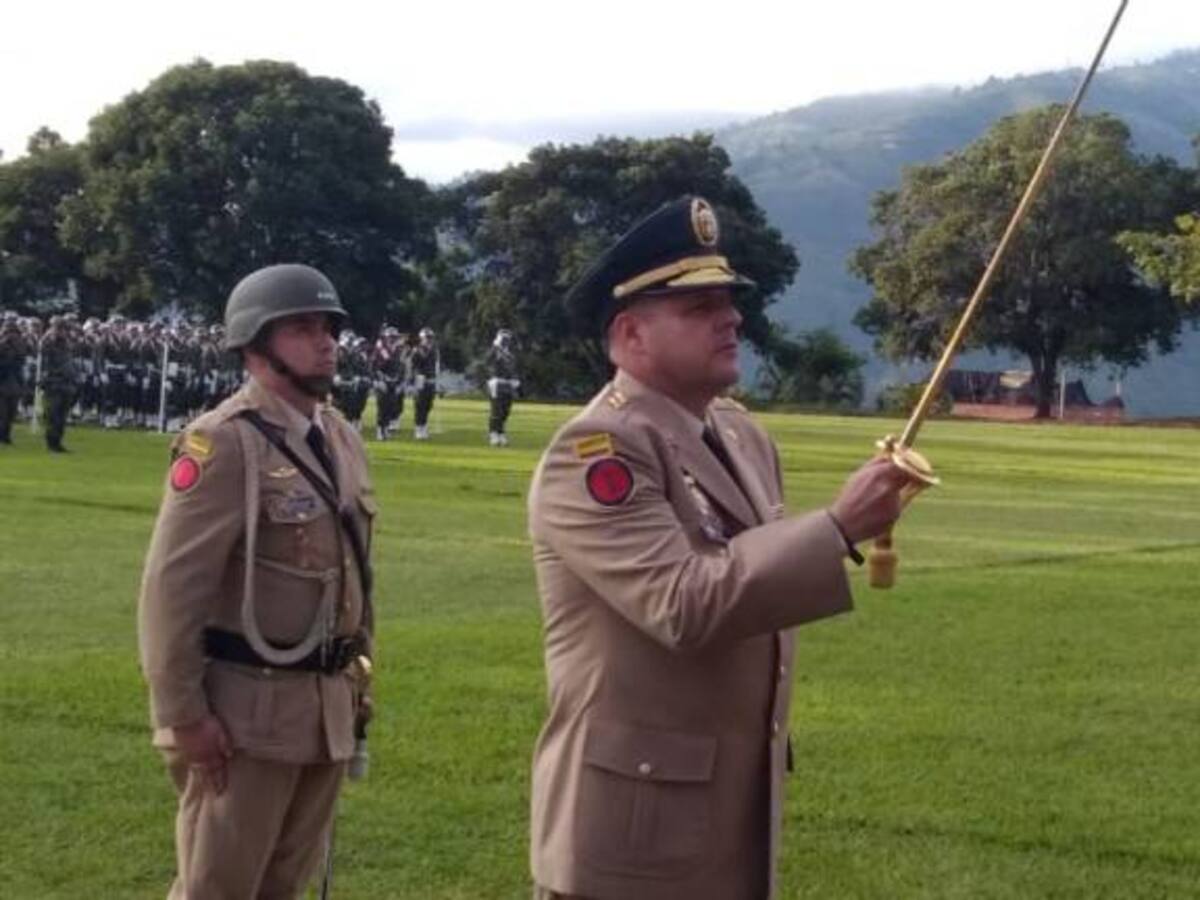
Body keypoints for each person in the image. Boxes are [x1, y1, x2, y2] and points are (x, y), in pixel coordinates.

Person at [526, 196, 915, 900]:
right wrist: (836, 530)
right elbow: (680, 604)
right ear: (631, 334)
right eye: (700, 306)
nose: (731, 318)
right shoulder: (594, 451)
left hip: (727, 811)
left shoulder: (741, 435)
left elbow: (752, 585)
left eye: (728, 301)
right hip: (631, 832)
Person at [137, 263, 377, 900]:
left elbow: (355, 570)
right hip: (244, 714)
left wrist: (356, 686)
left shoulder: (339, 437)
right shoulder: (221, 445)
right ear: (255, 345)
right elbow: (171, 591)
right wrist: (183, 716)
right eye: (303, 328)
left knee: (283, 887)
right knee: (217, 888)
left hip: (323, 707)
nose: (326, 341)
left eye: (329, 327)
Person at [38, 314, 79, 452]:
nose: (64, 331)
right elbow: (43, 364)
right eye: (61, 328)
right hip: (54, 383)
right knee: (52, 415)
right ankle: (52, 443)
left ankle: (58, 442)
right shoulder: (48, 342)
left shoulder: (67, 343)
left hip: (67, 384)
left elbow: (69, 362)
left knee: (62, 417)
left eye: (66, 329)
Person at [485, 327, 520, 446]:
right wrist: (495, 347)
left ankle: (501, 432)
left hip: (508, 384)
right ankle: (493, 433)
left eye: (508, 340)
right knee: (496, 410)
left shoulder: (510, 355)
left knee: (506, 410)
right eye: (504, 339)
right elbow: (488, 361)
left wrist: (515, 379)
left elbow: (513, 369)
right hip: (496, 382)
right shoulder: (495, 351)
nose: (506, 342)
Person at [411, 326, 438, 440]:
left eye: (430, 338)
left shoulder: (434, 350)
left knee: (428, 404)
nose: (429, 340)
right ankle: (418, 428)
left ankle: (424, 425)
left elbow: (435, 366)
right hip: (420, 379)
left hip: (431, 379)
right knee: (420, 404)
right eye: (427, 338)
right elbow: (413, 366)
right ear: (422, 338)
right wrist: (415, 378)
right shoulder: (417, 350)